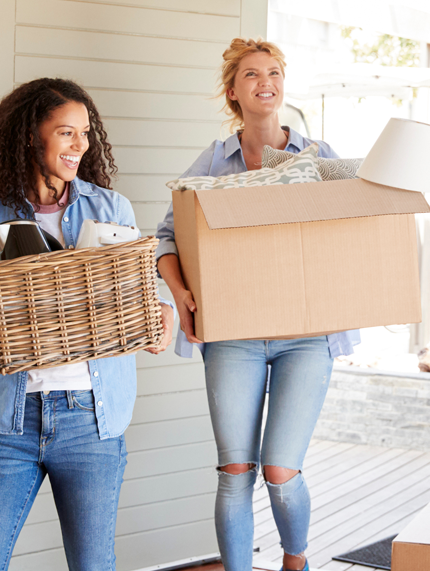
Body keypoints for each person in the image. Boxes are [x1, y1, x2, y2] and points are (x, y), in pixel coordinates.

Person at [0, 77, 174, 571]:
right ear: (30, 136)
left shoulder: (109, 208)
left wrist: (162, 311)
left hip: (91, 418)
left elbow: (144, 287)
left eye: (84, 132)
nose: (80, 144)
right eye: (66, 132)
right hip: (6, 423)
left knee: (92, 564)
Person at [153, 38, 359, 571]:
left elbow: (353, 229)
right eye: (251, 75)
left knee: (280, 470)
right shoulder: (214, 162)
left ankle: (296, 560)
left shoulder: (319, 158)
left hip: (305, 337)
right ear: (233, 92)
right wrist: (181, 294)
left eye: (273, 72)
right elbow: (167, 238)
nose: (264, 81)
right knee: (236, 470)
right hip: (233, 335)